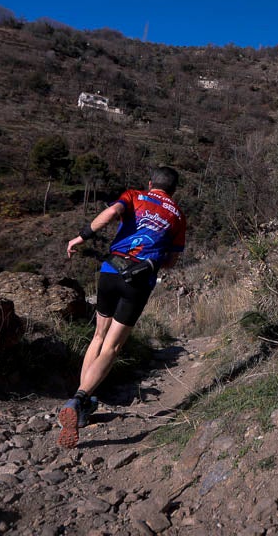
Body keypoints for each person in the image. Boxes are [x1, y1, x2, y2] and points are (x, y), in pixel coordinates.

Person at [57, 165, 187, 448]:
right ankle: (79, 400)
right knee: (113, 348)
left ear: (150, 182)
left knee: (98, 337)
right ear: (173, 190)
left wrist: (80, 237)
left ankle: (83, 405)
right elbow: (172, 261)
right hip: (137, 280)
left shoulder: (134, 196)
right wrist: (154, 259)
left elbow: (112, 214)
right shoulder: (178, 216)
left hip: (110, 272)